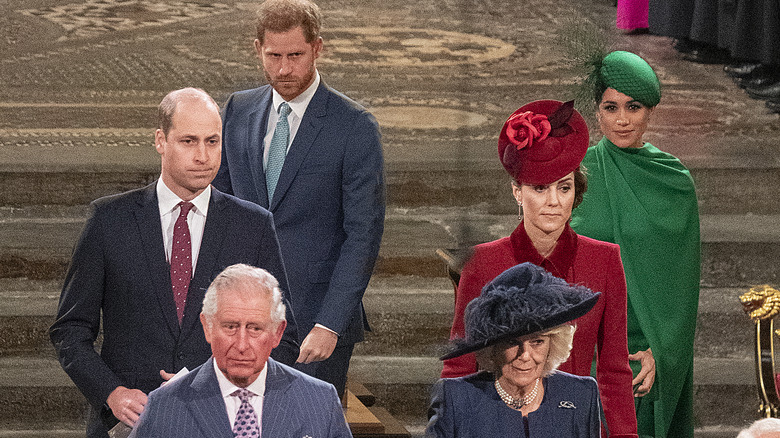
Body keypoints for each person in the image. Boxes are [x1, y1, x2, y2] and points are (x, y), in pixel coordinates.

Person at [49, 88, 299, 438]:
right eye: (188, 141)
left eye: (212, 142)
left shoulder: (253, 226)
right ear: (160, 141)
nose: (203, 156)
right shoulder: (109, 220)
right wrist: (112, 394)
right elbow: (70, 330)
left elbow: (283, 339)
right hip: (126, 425)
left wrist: (223, 387)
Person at [213, 0, 385, 397]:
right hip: (242, 323)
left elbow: (363, 235)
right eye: (274, 56)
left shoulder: (354, 127)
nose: (285, 68)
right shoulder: (238, 110)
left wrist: (330, 324)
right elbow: (218, 212)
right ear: (258, 49)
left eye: (296, 55)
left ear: (317, 48)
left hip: (315, 327)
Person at [442, 99, 637, 437]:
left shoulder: (604, 261)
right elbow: (459, 367)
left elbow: (614, 371)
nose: (553, 201)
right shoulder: (483, 263)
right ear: (517, 191)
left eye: (564, 187)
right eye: (539, 188)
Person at [570, 51, 700, 438]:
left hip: (642, 353)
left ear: (650, 112)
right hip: (580, 344)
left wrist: (660, 354)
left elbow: (682, 290)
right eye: (610, 107)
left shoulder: (675, 182)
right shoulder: (576, 175)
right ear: (597, 112)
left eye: (633, 107)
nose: (622, 119)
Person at [129, 264, 352, 438]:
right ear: (207, 327)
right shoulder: (164, 405)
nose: (242, 345)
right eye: (230, 327)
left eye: (255, 328)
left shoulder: (320, 400)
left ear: (277, 332)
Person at [428, 263, 603, 437]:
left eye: (537, 341)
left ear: (554, 344)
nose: (525, 355)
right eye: (511, 342)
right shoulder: (455, 398)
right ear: (492, 348)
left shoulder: (581, 393)